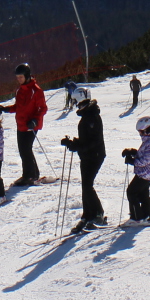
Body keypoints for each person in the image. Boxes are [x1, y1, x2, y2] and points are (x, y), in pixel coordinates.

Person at [60, 95, 107, 232]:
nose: (76, 105)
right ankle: (88, 214)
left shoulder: (91, 116)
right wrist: (73, 143)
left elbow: (94, 141)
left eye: (77, 102)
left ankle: (98, 214)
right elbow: (86, 139)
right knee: (85, 185)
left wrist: (77, 146)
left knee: (87, 185)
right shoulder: (87, 115)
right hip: (87, 156)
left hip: (95, 155)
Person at [0, 62, 48, 185]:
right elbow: (18, 107)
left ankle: (30, 176)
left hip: (31, 125)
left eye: (21, 77)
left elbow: (43, 108)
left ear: (27, 76)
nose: (18, 80)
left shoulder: (36, 91)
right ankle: (32, 174)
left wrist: (35, 120)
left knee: (25, 150)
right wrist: (5, 109)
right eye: (17, 77)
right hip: (21, 124)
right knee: (24, 150)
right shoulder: (20, 90)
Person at [122, 116, 150, 222]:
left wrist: (132, 161)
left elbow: (144, 161)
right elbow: (143, 154)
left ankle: (136, 218)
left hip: (145, 174)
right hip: (145, 173)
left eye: (141, 131)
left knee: (131, 192)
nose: (140, 134)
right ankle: (148, 216)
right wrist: (132, 152)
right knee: (143, 194)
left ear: (147, 130)